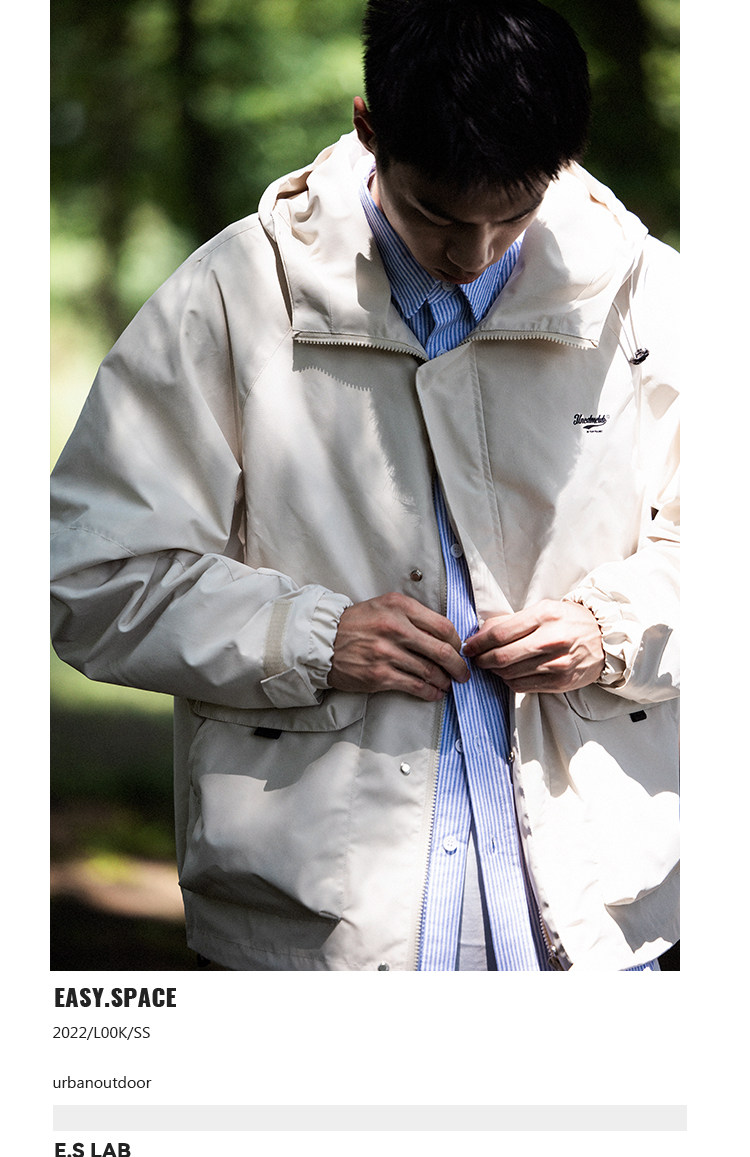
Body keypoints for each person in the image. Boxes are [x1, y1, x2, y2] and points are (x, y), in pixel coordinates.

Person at [50, 0, 679, 971]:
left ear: (566, 158)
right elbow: (89, 572)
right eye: (438, 216)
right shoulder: (233, 293)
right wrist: (306, 636)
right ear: (368, 128)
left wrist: (616, 629)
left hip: (605, 924)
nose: (474, 252)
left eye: (514, 214)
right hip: (313, 928)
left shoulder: (653, 297)